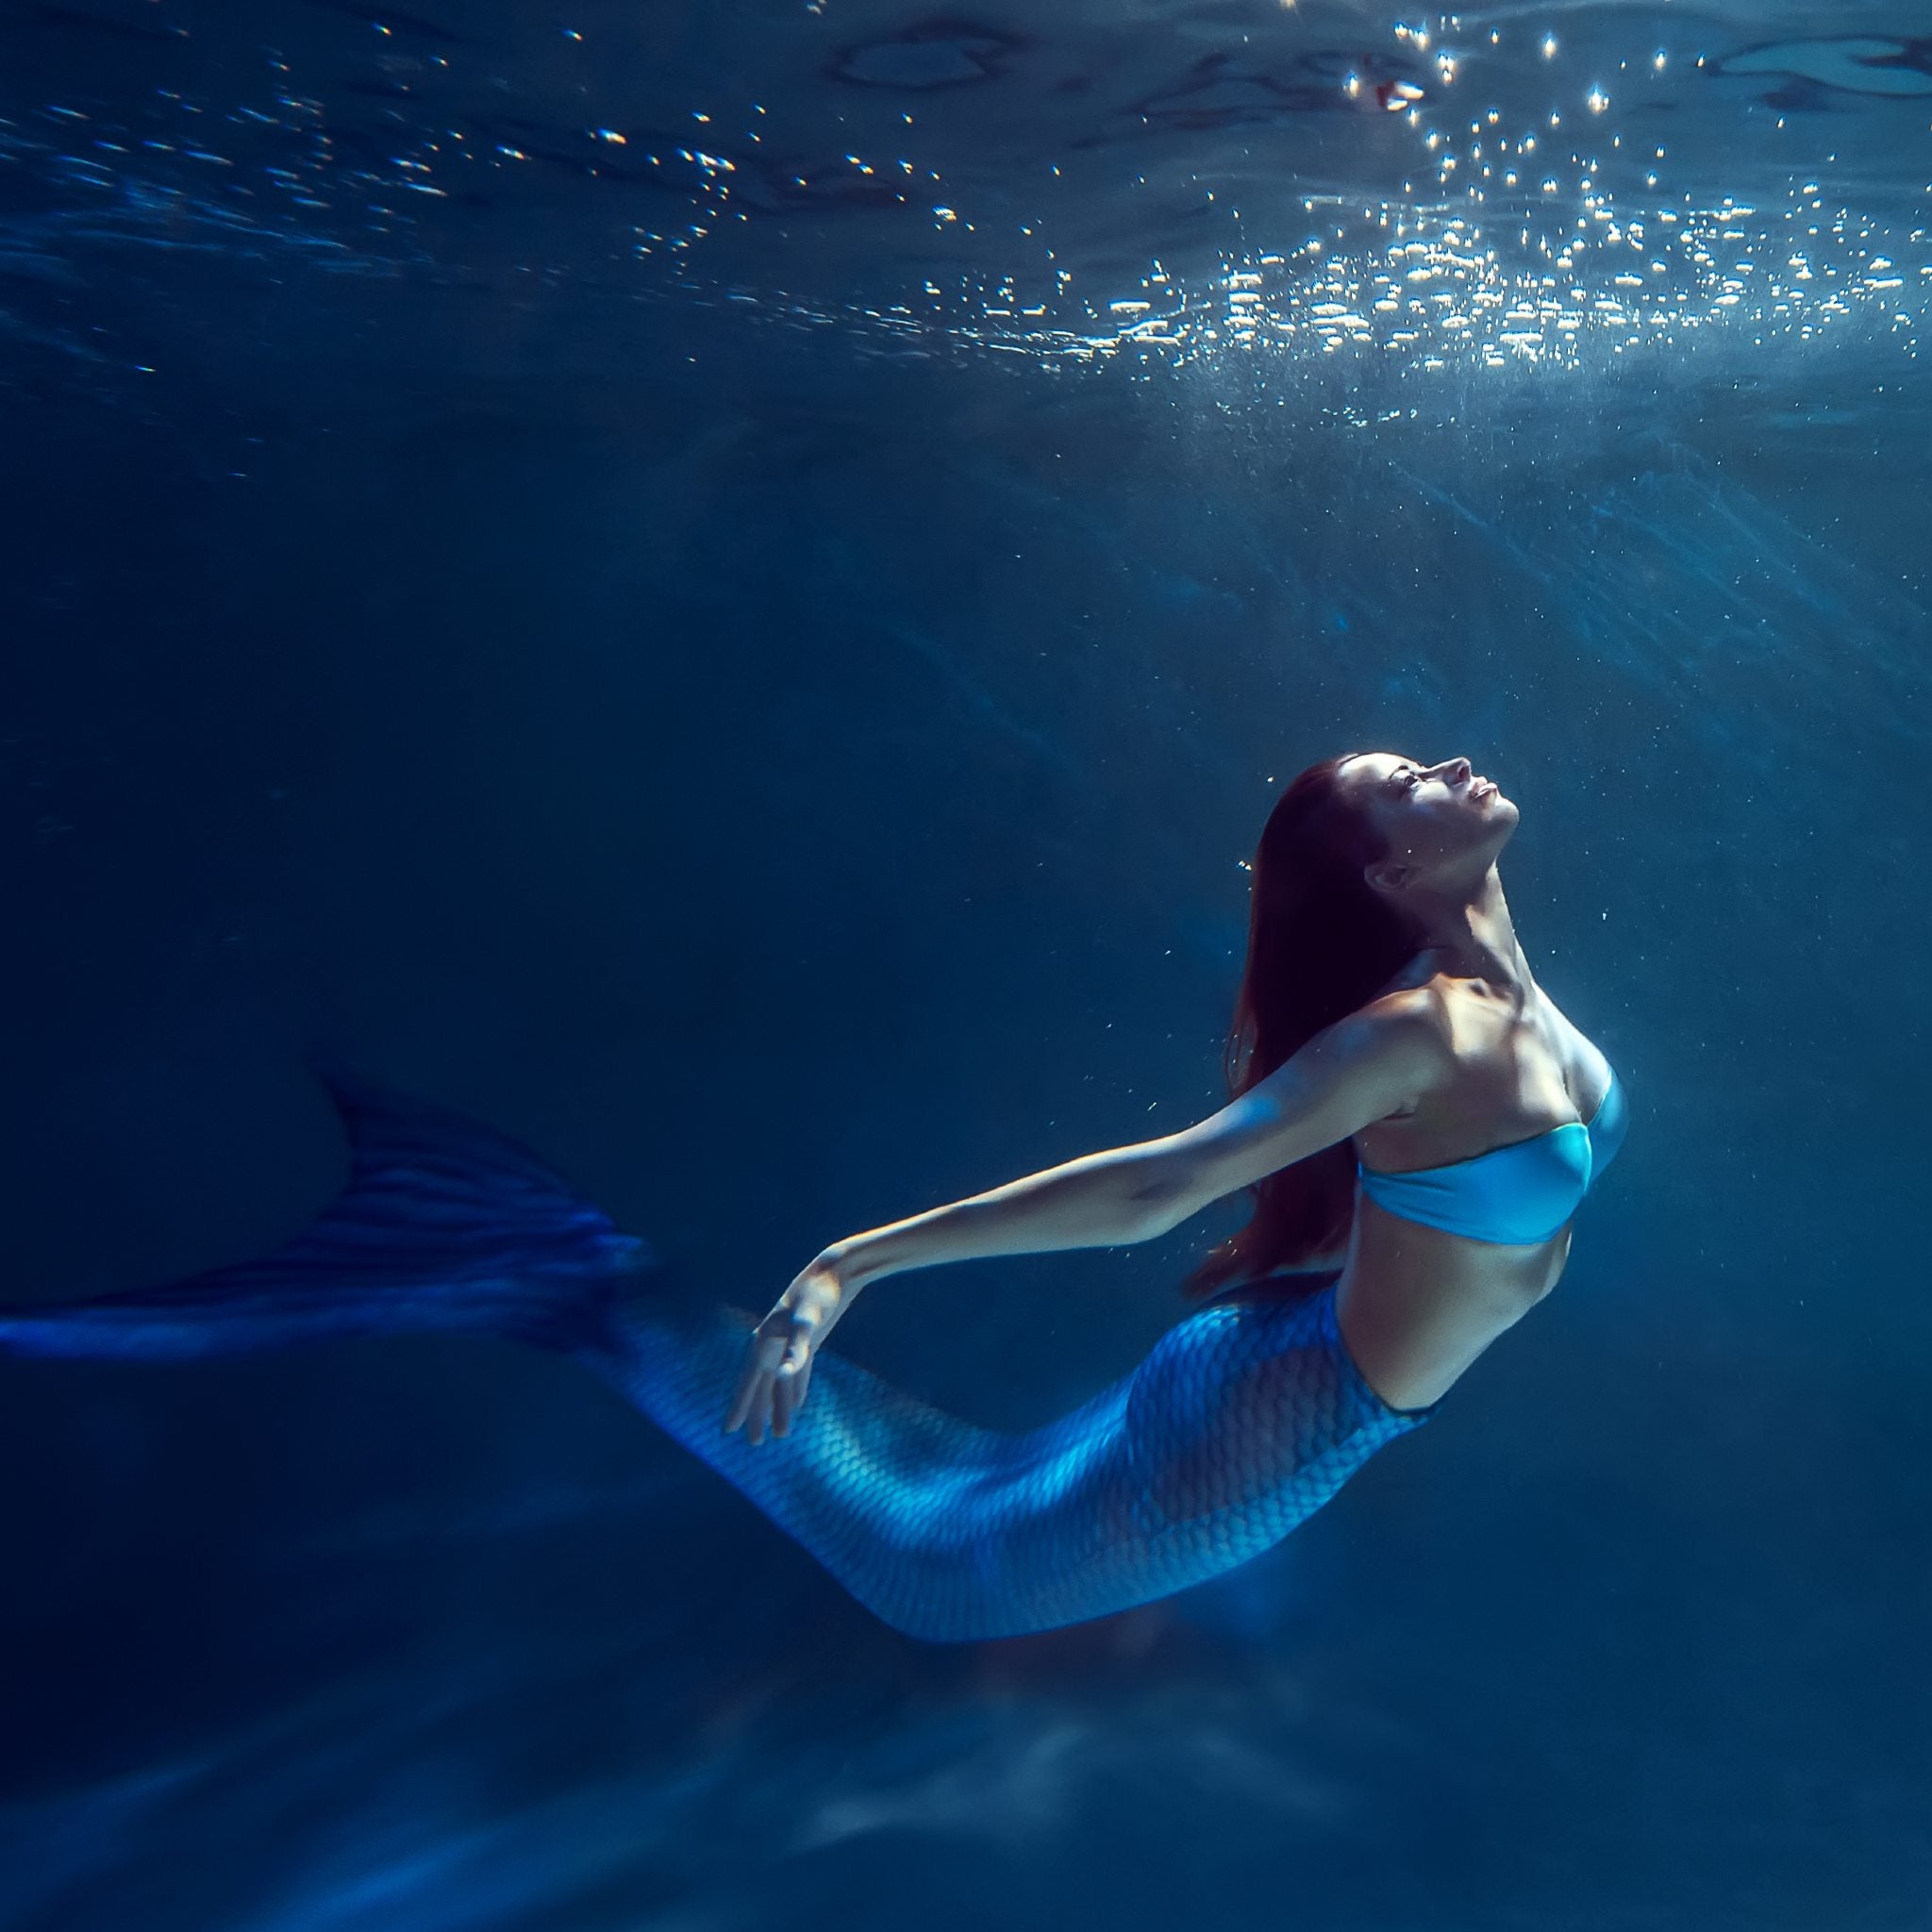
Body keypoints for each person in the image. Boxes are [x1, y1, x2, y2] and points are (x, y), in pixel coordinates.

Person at [0, 753, 1625, 1643]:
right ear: (1386, 881)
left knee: (957, 1490)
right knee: (938, 1574)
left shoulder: (1504, 999)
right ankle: (561, 1276)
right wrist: (851, 1261)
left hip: (1284, 1364)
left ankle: (558, 1269)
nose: (1456, 767)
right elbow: (1158, 1191)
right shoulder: (1423, 1037)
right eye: (1407, 785)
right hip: (1286, 1412)